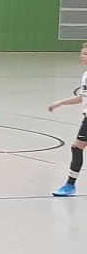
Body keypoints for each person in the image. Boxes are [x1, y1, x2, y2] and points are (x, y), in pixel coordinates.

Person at [48, 42, 87, 197]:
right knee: (77, 148)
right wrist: (61, 103)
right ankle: (70, 185)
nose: (81, 56)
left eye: (85, 54)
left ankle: (70, 185)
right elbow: (81, 98)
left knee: (77, 147)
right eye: (81, 53)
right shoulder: (85, 75)